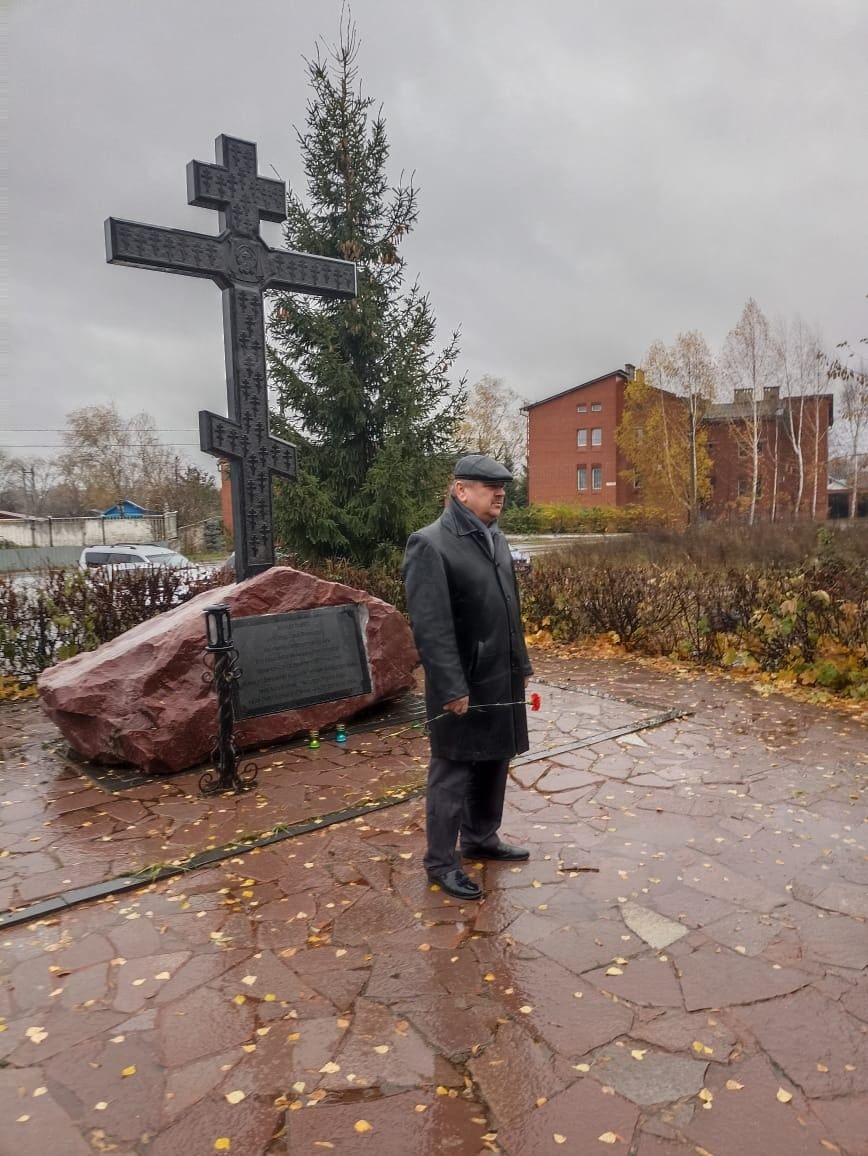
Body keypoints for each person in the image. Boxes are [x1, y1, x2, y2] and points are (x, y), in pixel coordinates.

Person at [402, 453, 533, 901]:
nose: (499, 493)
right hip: (462, 680)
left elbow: (508, 608)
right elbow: (431, 626)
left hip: (501, 674)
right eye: (487, 486)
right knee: (453, 771)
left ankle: (481, 837)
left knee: (495, 759)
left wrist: (523, 663)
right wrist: (452, 687)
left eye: (502, 487)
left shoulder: (493, 537)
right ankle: (440, 862)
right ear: (461, 491)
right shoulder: (430, 544)